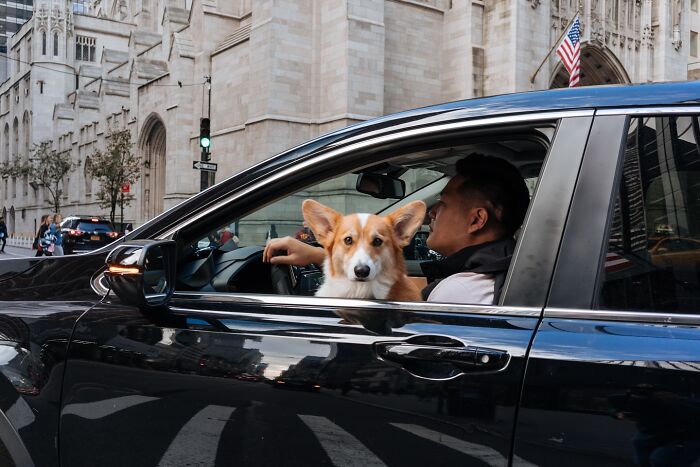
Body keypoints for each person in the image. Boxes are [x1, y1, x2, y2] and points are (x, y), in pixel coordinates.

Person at [263, 154, 530, 305]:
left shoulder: (459, 293)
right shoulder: (495, 268)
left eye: (443, 203)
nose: (431, 213)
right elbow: (385, 266)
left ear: (477, 220)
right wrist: (322, 254)